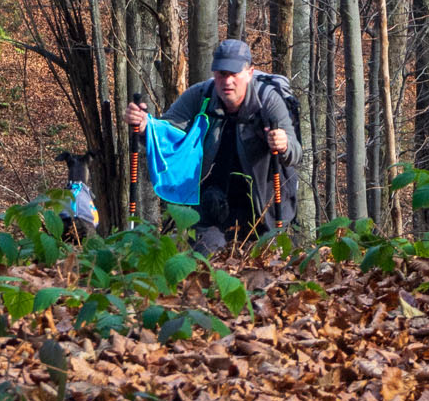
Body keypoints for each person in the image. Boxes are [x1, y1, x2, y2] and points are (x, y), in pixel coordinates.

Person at [126, 38, 300, 254]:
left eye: (233, 74)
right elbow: (166, 131)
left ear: (249, 73)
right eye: (221, 74)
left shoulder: (268, 100)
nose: (227, 81)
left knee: (262, 268)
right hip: (212, 205)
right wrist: (144, 126)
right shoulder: (201, 95)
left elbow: (295, 152)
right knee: (207, 261)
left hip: (264, 208)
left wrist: (282, 145)